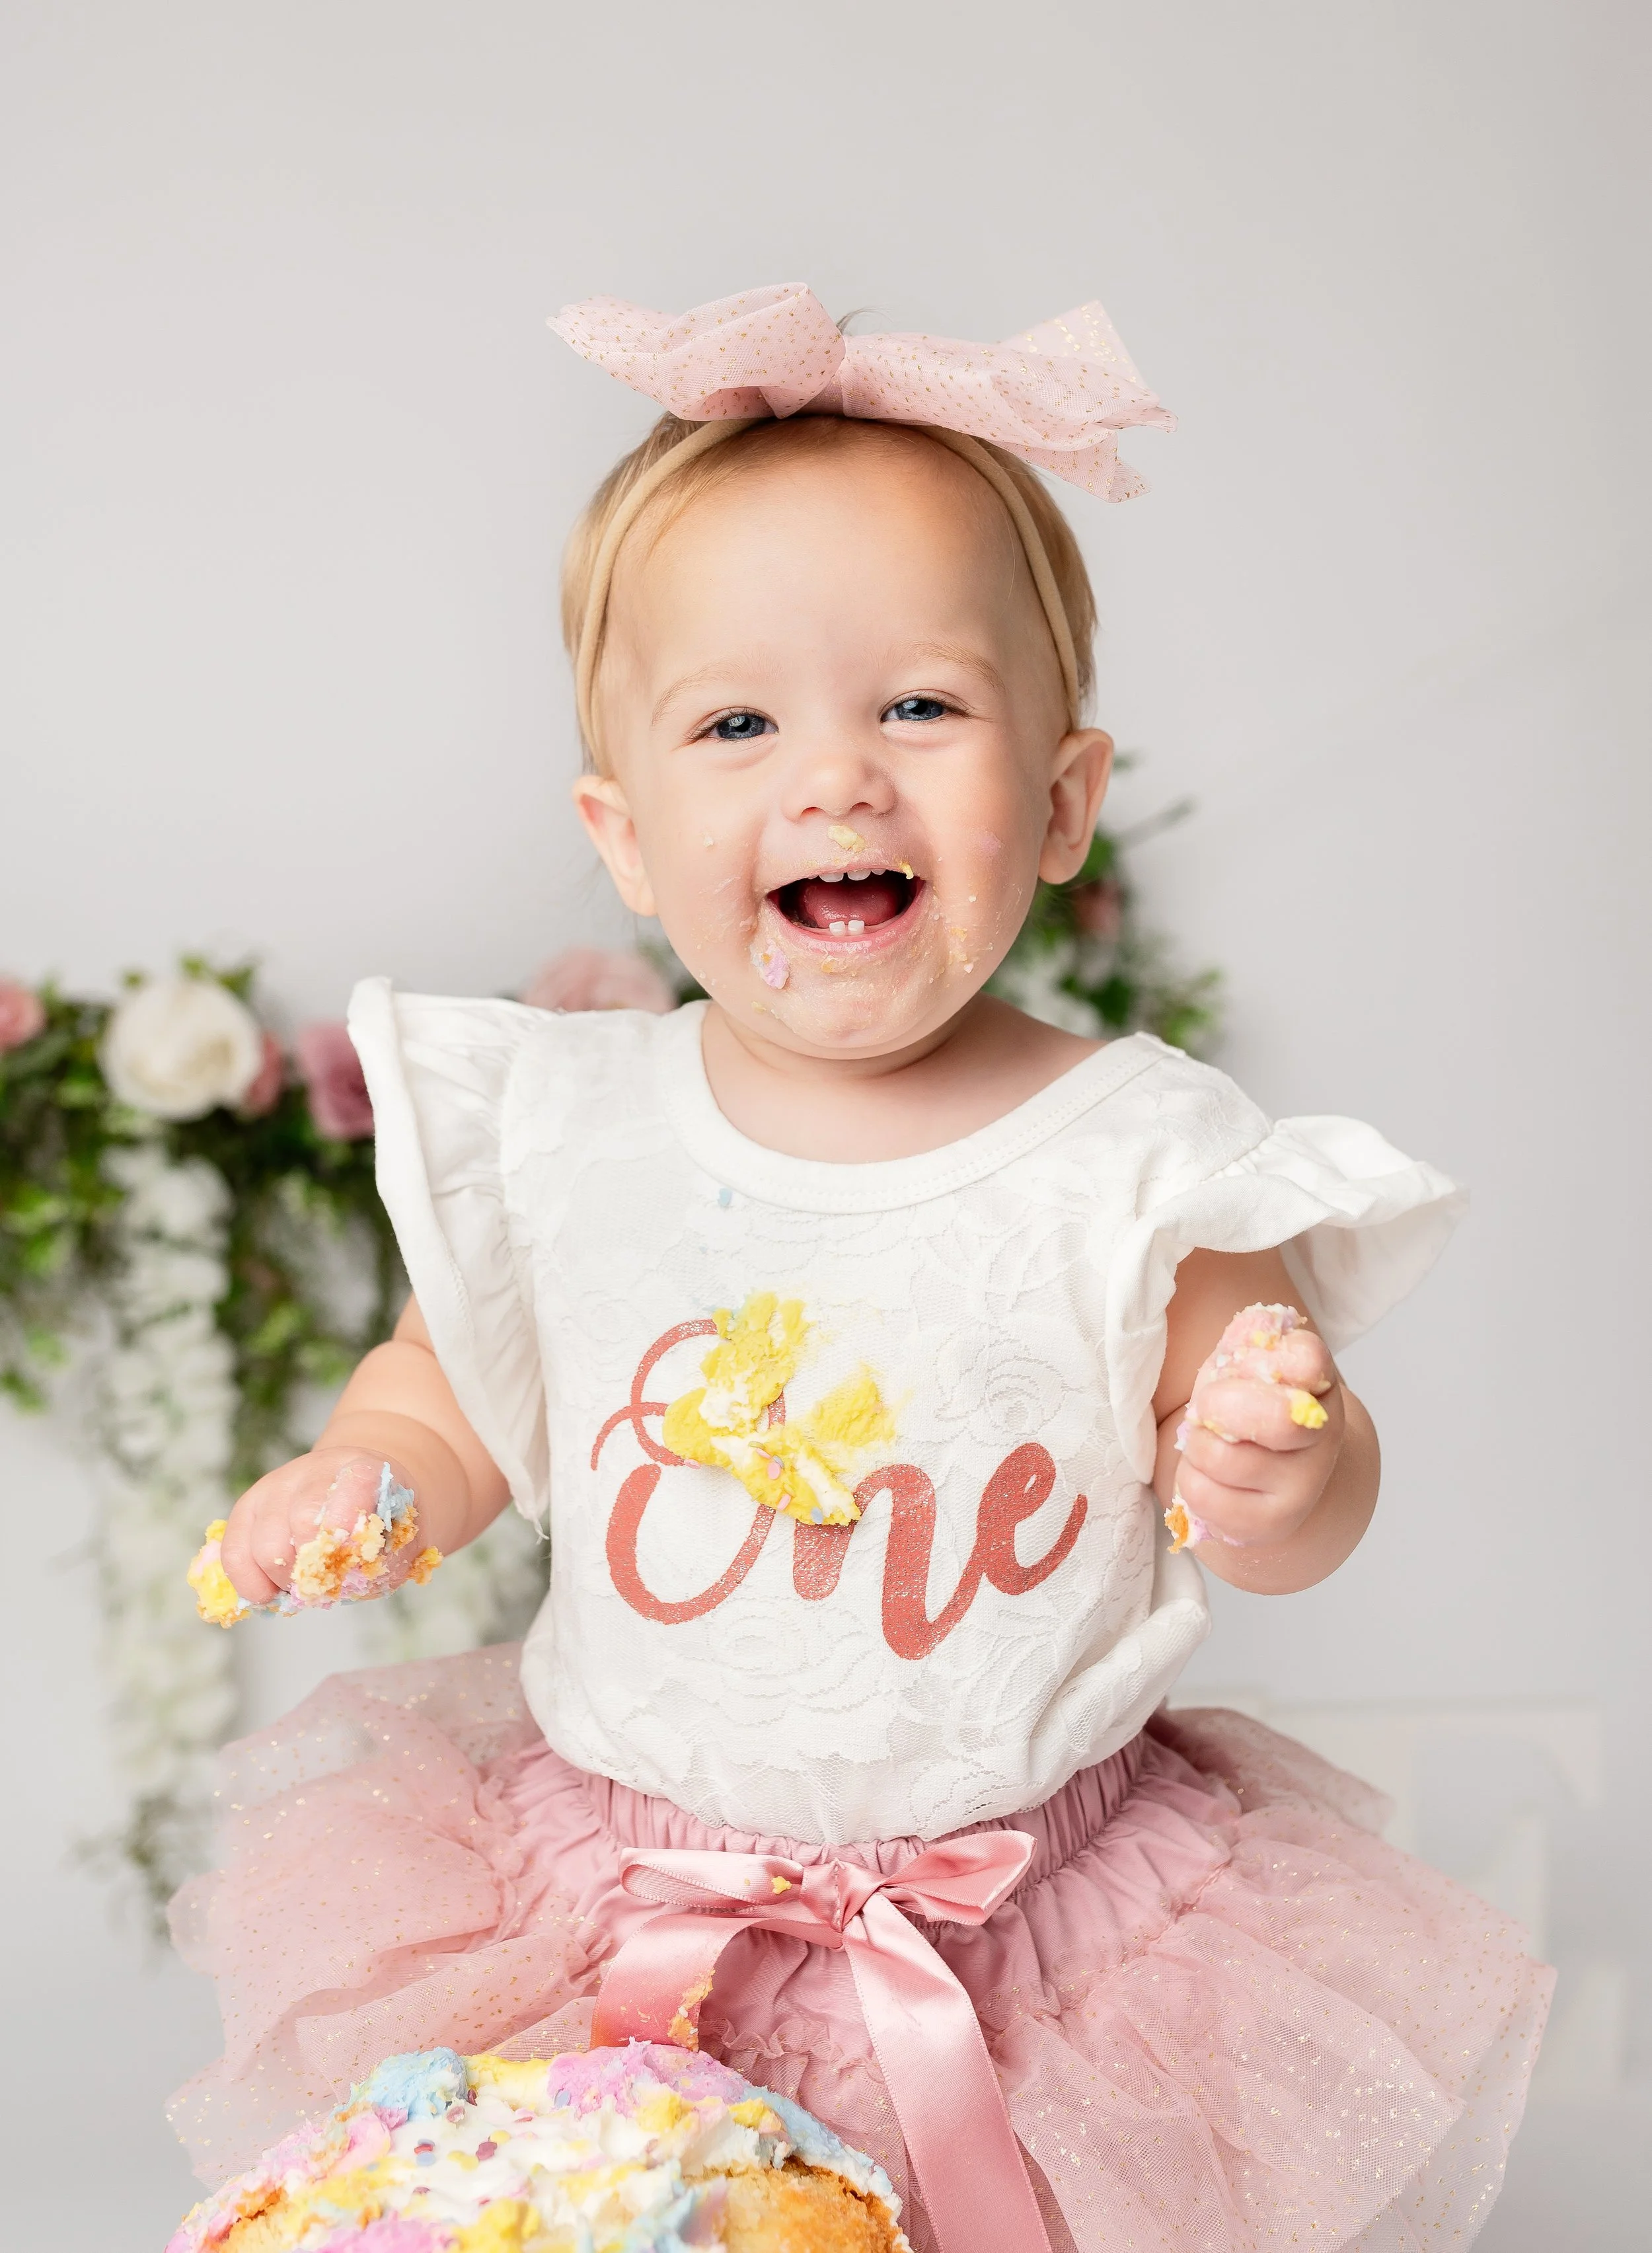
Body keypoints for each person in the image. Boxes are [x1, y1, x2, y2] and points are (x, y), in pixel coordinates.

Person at [169, 286, 1550, 2251]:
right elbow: (453, 1383)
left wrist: (1281, 1467)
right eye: (736, 723)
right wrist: (372, 1473)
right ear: (624, 835)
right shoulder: (577, 1131)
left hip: (1030, 1948)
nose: (834, 778)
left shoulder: (1138, 1160)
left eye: (917, 704)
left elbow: (1295, 1517)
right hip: (628, 1910)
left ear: (1060, 801)